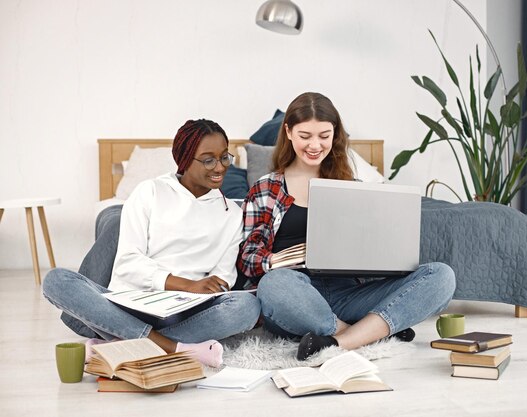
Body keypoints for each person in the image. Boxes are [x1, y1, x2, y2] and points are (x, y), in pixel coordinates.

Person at [238, 92, 456, 360]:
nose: (315, 145)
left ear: (335, 134)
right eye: (305, 136)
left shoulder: (353, 189)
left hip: (349, 294)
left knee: (442, 276)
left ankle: (336, 342)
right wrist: (279, 260)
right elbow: (247, 259)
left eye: (324, 136)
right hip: (297, 296)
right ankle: (366, 333)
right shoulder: (265, 188)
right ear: (289, 132)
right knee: (273, 285)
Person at [43, 119, 261, 367]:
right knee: (57, 280)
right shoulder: (150, 191)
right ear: (185, 159)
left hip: (185, 313)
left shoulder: (232, 214)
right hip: (131, 304)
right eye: (208, 159)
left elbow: (223, 276)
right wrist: (188, 285)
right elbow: (127, 262)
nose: (220, 167)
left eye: (224, 157)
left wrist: (208, 291)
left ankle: (120, 344)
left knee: (247, 306)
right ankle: (172, 347)